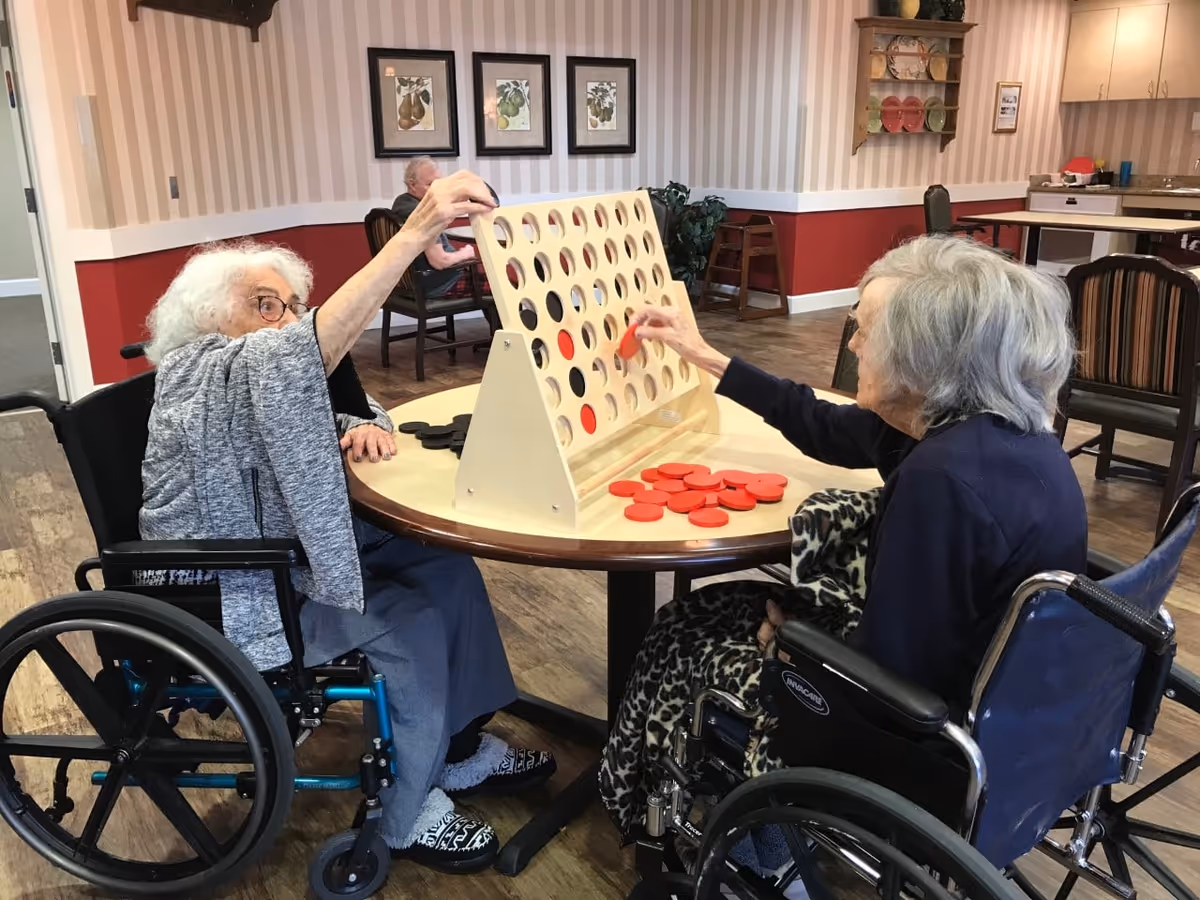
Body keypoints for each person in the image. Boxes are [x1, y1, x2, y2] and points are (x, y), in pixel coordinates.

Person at [598, 235, 1086, 836]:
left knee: (676, 635)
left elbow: (892, 678)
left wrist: (791, 643)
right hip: (1011, 711)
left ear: (923, 356)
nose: (851, 344)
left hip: (913, 734)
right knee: (715, 608)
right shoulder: (999, 434)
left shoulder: (942, 483)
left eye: (866, 330)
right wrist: (705, 355)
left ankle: (705, 830)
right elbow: (823, 424)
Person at [138, 171, 554, 874]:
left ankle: (451, 747)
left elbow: (298, 410)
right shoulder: (197, 375)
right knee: (409, 618)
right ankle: (405, 814)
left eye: (292, 306)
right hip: (233, 592)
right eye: (264, 304)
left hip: (280, 559)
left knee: (442, 564)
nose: (286, 320)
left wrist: (356, 428)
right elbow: (296, 362)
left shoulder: (246, 379)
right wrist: (418, 231)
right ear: (206, 318)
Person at [392, 157, 492, 299]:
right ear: (412, 185)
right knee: (501, 289)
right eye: (430, 185)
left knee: (491, 286)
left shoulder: (401, 204)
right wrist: (465, 254)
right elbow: (440, 261)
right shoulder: (421, 214)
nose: (436, 191)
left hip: (413, 283)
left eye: (438, 185)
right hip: (438, 284)